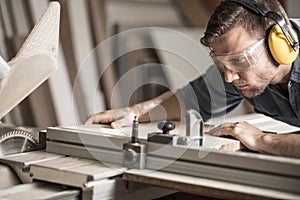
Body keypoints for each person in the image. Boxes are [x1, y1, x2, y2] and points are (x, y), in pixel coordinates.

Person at [85, 0, 300, 158]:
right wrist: (135, 112)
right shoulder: (238, 74)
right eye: (223, 65)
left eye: (239, 61)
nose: (229, 77)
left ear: (280, 42)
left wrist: (264, 140)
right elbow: (192, 100)